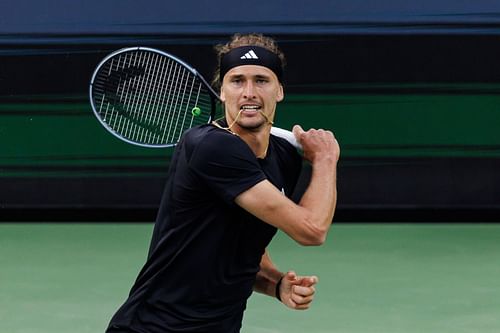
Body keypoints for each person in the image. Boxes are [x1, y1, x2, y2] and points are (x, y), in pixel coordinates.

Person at [106, 33, 340, 333]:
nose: (249, 92)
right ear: (222, 93)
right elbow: (311, 230)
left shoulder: (284, 156)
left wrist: (276, 284)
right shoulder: (211, 147)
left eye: (261, 80)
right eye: (237, 81)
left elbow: (244, 244)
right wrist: (326, 159)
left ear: (279, 90)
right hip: (153, 327)